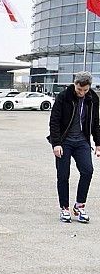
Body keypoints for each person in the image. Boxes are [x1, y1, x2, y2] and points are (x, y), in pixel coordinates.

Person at [48, 71, 100, 223]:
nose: (82, 93)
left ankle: (79, 205)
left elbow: (95, 122)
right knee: (63, 175)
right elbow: (54, 121)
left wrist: (98, 143)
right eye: (79, 90)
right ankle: (64, 208)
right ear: (75, 84)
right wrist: (56, 143)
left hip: (82, 141)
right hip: (64, 142)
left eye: (85, 90)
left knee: (88, 171)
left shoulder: (93, 98)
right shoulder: (63, 97)